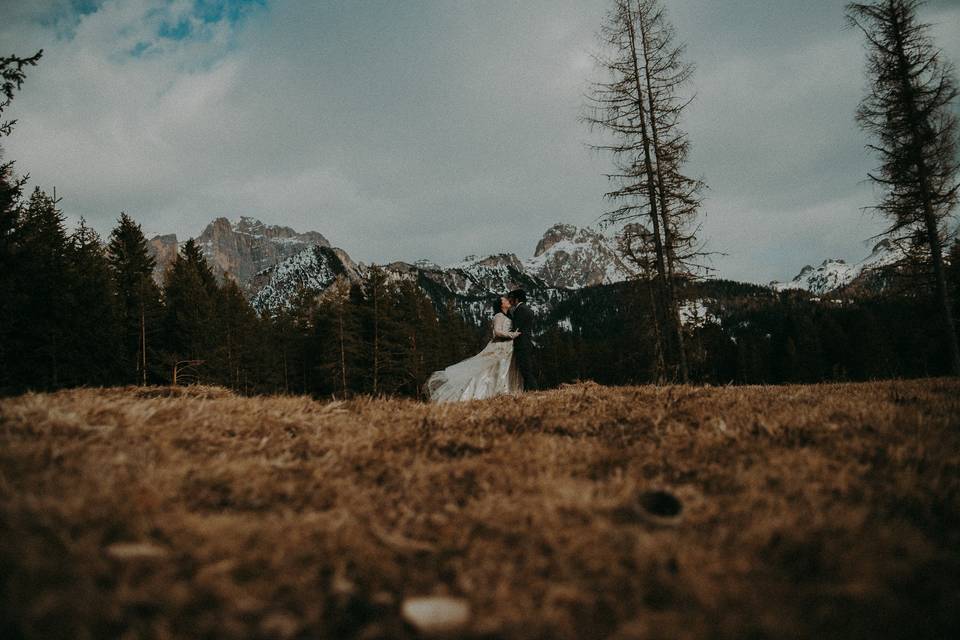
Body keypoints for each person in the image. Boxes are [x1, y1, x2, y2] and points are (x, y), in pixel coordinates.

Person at [425, 295, 523, 403]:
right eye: (504, 300)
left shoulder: (507, 316)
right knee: (489, 371)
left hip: (505, 348)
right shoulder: (498, 316)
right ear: (500, 305)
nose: (508, 300)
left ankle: (500, 392)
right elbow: (497, 332)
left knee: (498, 370)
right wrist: (512, 335)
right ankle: (484, 393)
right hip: (498, 347)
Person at [507, 288, 538, 391]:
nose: (510, 301)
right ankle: (527, 391)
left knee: (526, 370)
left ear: (517, 299)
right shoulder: (526, 309)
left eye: (511, 298)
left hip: (522, 344)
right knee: (526, 370)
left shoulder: (520, 310)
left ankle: (534, 390)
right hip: (526, 342)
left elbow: (516, 328)